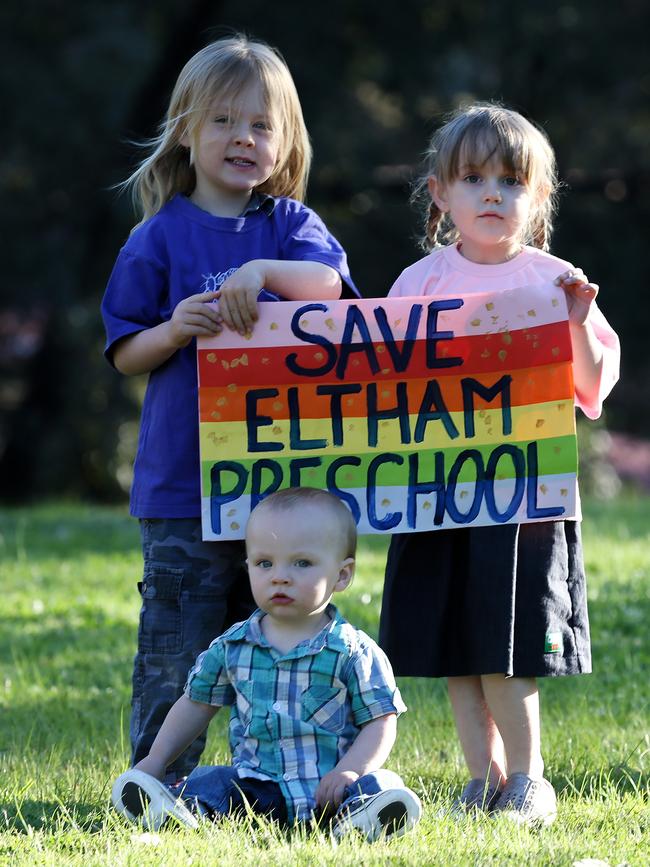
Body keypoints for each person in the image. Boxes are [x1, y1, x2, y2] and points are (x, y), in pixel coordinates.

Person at [101, 34, 359, 782]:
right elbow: (124, 350)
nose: (243, 138)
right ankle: (158, 780)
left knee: (283, 635)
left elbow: (330, 289)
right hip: (182, 490)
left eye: (261, 125)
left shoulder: (290, 228)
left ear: (284, 142)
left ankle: (286, 775)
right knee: (178, 643)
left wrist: (259, 269)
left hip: (279, 494)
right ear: (186, 129)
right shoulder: (157, 237)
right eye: (223, 121)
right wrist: (175, 328)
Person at [378, 103, 620, 825]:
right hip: (435, 500)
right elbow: (379, 391)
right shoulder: (416, 284)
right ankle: (480, 780)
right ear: (439, 194)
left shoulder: (558, 282)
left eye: (512, 181)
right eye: (474, 177)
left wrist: (575, 325)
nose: (492, 193)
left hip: (524, 503)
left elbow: (590, 388)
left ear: (539, 197)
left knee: (507, 647)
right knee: (458, 647)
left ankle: (529, 780)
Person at [111, 488, 422, 842]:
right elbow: (195, 705)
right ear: (248, 567)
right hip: (256, 789)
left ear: (342, 575)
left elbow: (381, 722)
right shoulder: (232, 646)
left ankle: (362, 818)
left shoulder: (354, 651)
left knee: (381, 783)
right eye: (264, 563)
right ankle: (177, 810)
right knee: (210, 781)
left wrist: (350, 770)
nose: (280, 576)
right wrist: (157, 759)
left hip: (331, 790)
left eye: (302, 563)